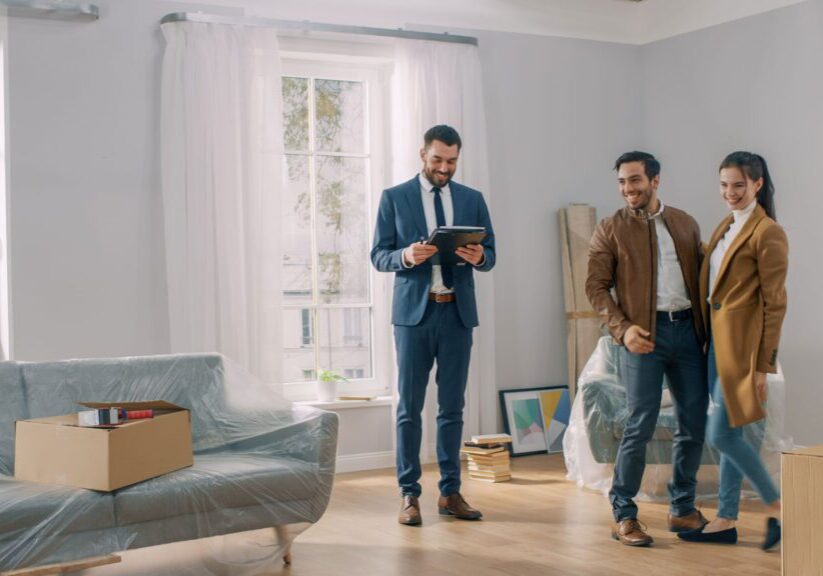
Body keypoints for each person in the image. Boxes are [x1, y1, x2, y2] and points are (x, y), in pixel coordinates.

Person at [370, 125, 495, 526]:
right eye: (438, 160)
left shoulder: (472, 199)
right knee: (409, 408)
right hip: (413, 318)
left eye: (452, 161)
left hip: (457, 314)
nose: (445, 168)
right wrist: (406, 255)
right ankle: (409, 494)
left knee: (452, 407)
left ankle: (450, 492)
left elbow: (490, 253)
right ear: (422, 155)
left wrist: (478, 255)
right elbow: (378, 255)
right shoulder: (395, 197)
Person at [586, 151, 709, 546]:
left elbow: (707, 276)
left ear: (655, 181)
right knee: (640, 423)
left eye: (635, 180)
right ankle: (624, 514)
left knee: (694, 423)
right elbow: (595, 287)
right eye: (622, 182)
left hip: (688, 333)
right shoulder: (610, 228)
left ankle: (682, 509)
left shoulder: (685, 223)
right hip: (642, 337)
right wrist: (623, 330)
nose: (628, 189)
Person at [679, 152, 788, 550]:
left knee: (721, 434)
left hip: (741, 350)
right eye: (724, 185)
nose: (730, 193)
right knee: (731, 433)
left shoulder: (768, 232)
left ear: (757, 184)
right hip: (713, 346)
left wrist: (763, 366)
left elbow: (775, 304)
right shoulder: (727, 224)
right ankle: (725, 519)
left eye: (739, 186)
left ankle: (778, 506)